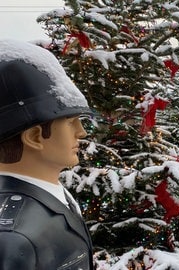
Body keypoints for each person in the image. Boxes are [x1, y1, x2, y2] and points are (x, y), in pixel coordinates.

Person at [0, 40, 94, 269]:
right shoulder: (13, 239)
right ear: (34, 137)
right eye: (71, 122)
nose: (81, 132)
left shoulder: (50, 192)